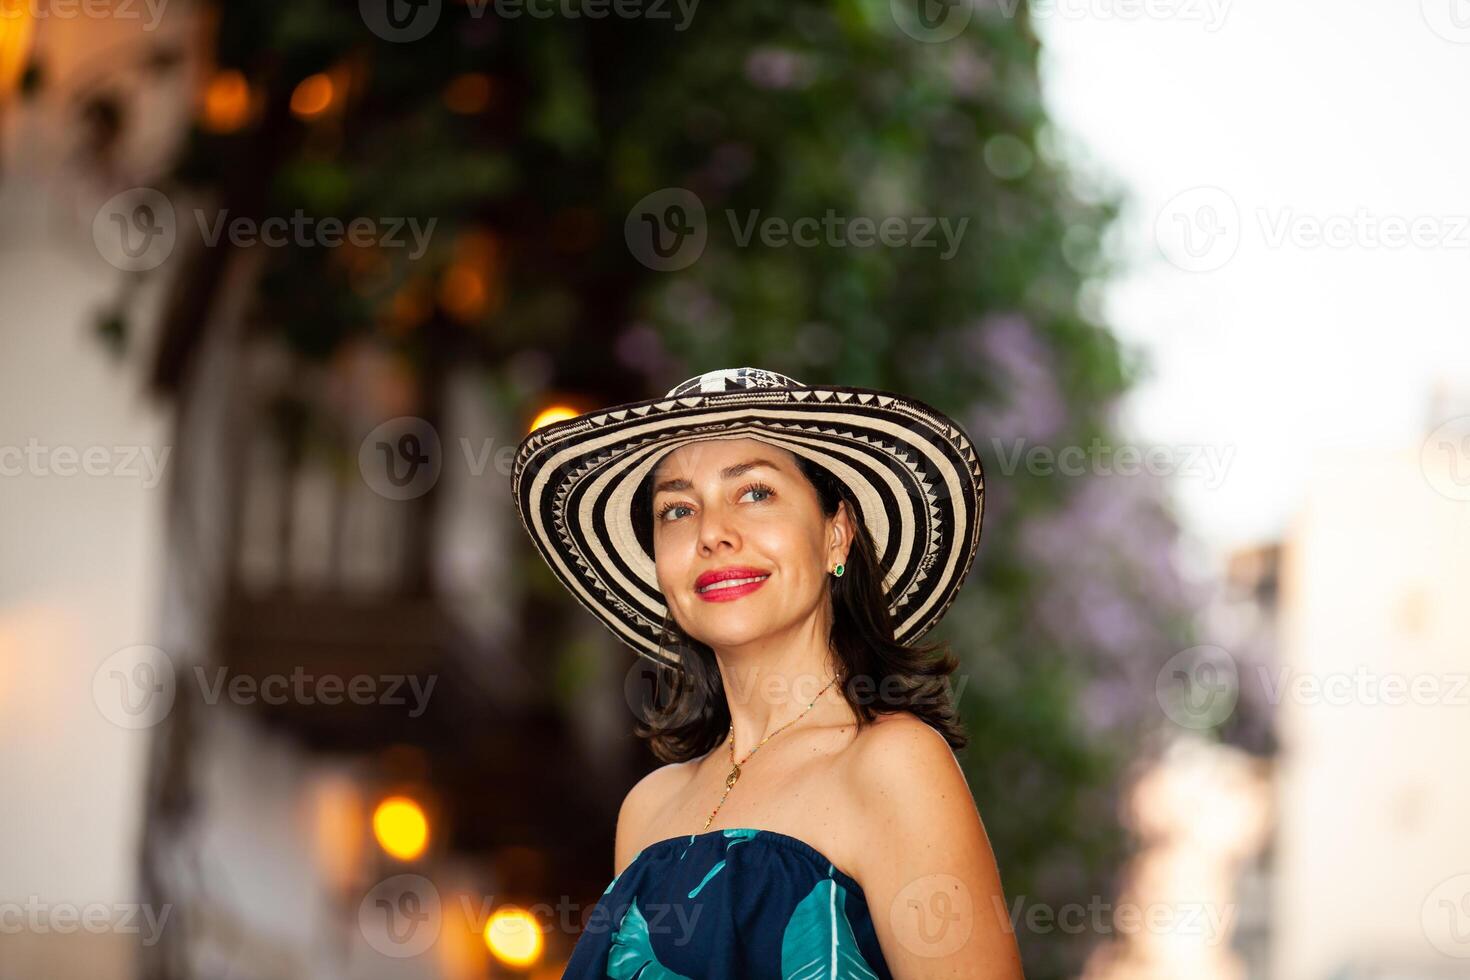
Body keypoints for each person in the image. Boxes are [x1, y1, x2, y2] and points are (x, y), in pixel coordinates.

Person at [511, 367, 1025, 978]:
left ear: (837, 535)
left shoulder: (895, 764)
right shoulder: (647, 810)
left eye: (755, 494)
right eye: (677, 509)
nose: (712, 534)